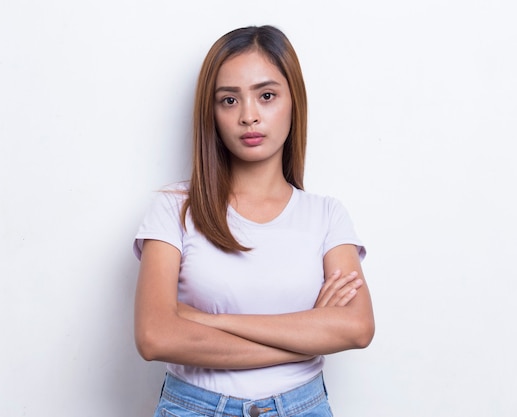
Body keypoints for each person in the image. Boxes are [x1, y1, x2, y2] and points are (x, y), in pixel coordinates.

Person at [133, 25, 375, 417]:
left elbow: (358, 328)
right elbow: (154, 336)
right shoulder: (174, 207)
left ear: (293, 100)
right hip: (194, 408)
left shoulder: (326, 215)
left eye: (266, 96)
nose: (248, 116)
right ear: (210, 112)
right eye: (229, 100)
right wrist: (309, 333)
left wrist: (208, 321)